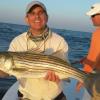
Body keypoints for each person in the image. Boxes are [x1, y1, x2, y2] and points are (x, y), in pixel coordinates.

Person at [0, 1, 69, 100]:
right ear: (26, 19)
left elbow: (65, 69)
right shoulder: (17, 41)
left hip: (55, 97)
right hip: (26, 97)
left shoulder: (60, 41)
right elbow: (5, 72)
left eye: (41, 12)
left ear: (47, 17)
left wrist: (58, 78)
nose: (37, 16)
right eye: (32, 13)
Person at [76, 3, 100, 100]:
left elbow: (94, 57)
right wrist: (87, 59)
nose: (91, 18)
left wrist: (82, 78)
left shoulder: (98, 34)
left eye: (93, 15)